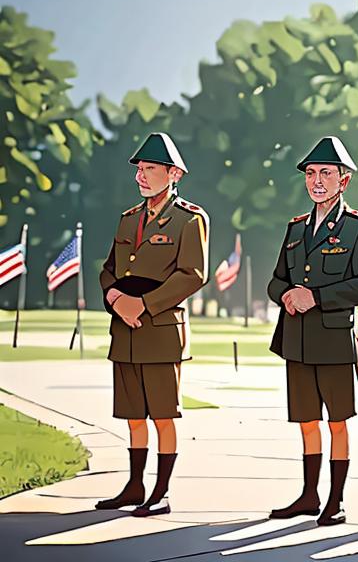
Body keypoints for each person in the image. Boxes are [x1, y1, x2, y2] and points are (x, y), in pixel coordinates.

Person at [267, 136, 358, 525]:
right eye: (312, 174)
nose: (317, 180)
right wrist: (288, 295)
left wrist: (315, 297)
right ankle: (308, 495)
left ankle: (336, 500)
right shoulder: (296, 227)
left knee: (336, 420)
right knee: (305, 419)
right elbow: (275, 281)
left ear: (343, 181)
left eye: (327, 173)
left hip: (334, 338)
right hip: (297, 338)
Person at [96, 132, 209, 517]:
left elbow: (193, 274)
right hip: (124, 330)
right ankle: (134, 485)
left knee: (162, 413)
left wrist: (142, 305)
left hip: (159, 330)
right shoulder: (129, 219)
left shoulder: (189, 219)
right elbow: (110, 269)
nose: (141, 176)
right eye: (140, 170)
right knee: (132, 414)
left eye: (150, 169)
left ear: (173, 173)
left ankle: (160, 491)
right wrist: (114, 298)